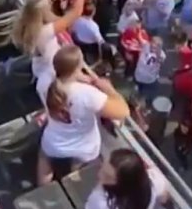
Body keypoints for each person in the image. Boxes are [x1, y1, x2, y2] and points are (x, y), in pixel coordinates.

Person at [38, 45, 130, 184]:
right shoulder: (87, 94)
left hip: (54, 142)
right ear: (78, 67)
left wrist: (79, 78)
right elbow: (123, 112)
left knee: (44, 158)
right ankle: (73, 186)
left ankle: (42, 188)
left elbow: (65, 83)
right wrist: (109, 89)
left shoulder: (45, 82)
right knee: (78, 168)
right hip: (83, 147)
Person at [12, 0, 89, 98]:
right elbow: (76, 13)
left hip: (42, 68)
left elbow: (60, 18)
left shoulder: (29, 26)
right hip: (51, 74)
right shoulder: (44, 32)